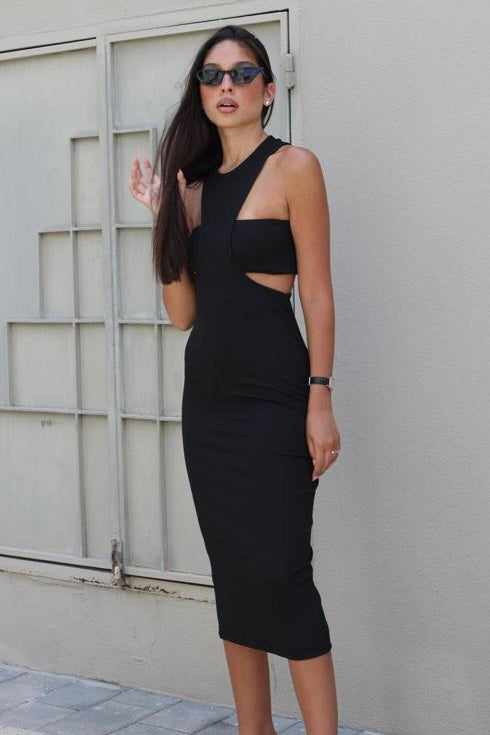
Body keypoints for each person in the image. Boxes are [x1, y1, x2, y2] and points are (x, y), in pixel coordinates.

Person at [129, 23, 340, 735]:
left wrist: (320, 398)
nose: (227, 86)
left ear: (268, 89)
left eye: (243, 73)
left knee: (283, 573)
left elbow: (317, 294)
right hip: (210, 408)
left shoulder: (295, 168)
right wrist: (165, 220)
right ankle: (255, 729)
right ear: (200, 91)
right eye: (213, 75)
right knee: (235, 574)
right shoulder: (193, 190)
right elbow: (184, 314)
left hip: (277, 398)